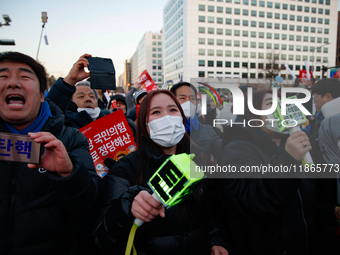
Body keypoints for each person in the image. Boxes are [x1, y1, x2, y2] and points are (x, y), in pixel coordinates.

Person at [94, 90, 230, 255]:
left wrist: (216, 240)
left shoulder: (197, 158)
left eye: (173, 110)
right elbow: (103, 238)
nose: (167, 117)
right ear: (144, 125)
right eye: (156, 112)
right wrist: (127, 207)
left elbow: (212, 209)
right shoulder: (126, 168)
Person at [0, 51, 100, 254]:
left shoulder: (70, 139)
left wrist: (69, 174)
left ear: (41, 94)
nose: (12, 83)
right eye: (3, 77)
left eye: (24, 77)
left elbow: (90, 205)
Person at [217, 90, 316, 254]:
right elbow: (255, 200)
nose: (279, 109)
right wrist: (288, 160)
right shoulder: (237, 149)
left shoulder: (290, 149)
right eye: (270, 104)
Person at [170, 82, 222, 161]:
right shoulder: (163, 131)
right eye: (183, 98)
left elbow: (225, 155)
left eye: (192, 99)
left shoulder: (207, 131)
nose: (188, 102)